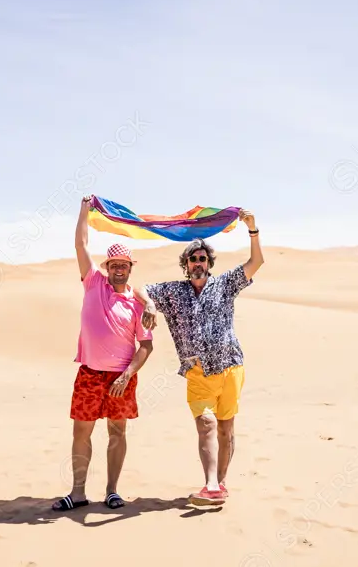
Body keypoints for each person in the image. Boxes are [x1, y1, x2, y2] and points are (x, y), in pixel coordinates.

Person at [134, 208, 263, 506]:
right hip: (197, 371)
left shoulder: (225, 284)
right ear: (186, 264)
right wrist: (150, 306)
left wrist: (253, 230)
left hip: (231, 366)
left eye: (202, 258)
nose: (198, 263)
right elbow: (140, 288)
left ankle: (221, 483)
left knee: (226, 427)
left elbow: (256, 262)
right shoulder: (173, 291)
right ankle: (210, 484)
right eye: (193, 259)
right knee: (205, 424)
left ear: (209, 263)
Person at [52, 195, 154, 512]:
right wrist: (84, 210)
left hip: (121, 378)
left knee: (117, 432)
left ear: (129, 268)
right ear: (107, 267)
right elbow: (81, 244)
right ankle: (78, 492)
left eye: (124, 265)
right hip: (89, 373)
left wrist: (127, 375)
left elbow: (146, 346)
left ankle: (112, 490)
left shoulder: (138, 304)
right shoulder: (93, 282)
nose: (119, 269)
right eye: (114, 265)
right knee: (81, 431)